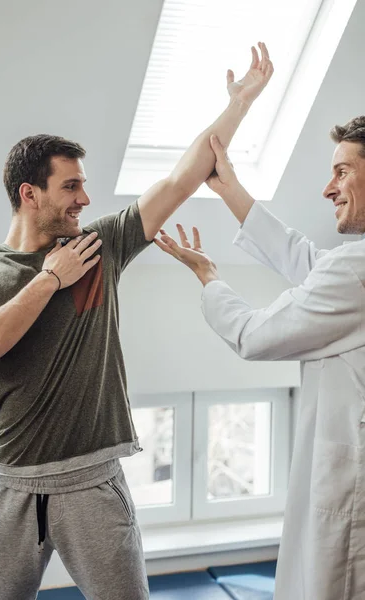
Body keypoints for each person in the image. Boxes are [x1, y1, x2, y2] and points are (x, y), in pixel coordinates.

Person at [0, 44, 273, 600]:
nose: (86, 198)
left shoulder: (100, 246)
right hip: (10, 486)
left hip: (92, 484)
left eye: (84, 185)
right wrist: (50, 280)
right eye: (71, 187)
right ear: (28, 194)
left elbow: (181, 180)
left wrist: (241, 105)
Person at [155, 119, 365, 600]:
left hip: (349, 500)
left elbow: (254, 335)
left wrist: (209, 277)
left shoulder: (355, 271)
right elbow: (310, 262)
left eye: (342, 172)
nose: (327, 188)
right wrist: (232, 192)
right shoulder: (352, 269)